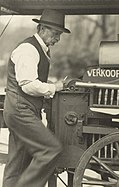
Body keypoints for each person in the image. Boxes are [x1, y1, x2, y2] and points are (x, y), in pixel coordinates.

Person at [2, 9, 70, 187]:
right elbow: (28, 84)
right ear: (41, 29)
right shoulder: (28, 49)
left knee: (17, 164)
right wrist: (53, 88)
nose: (57, 39)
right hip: (21, 111)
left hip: (22, 110)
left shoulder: (39, 49)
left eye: (59, 35)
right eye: (55, 34)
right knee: (51, 149)